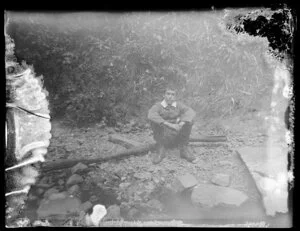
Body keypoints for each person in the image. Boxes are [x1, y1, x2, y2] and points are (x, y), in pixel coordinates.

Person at [148, 86, 196, 164]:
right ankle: (161, 149)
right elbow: (151, 114)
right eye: (168, 94)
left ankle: (183, 149)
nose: (170, 97)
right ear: (164, 95)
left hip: (176, 136)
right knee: (154, 121)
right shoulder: (158, 106)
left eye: (173, 94)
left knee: (190, 120)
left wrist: (182, 123)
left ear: (175, 96)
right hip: (163, 136)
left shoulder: (178, 105)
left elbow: (190, 112)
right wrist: (169, 124)